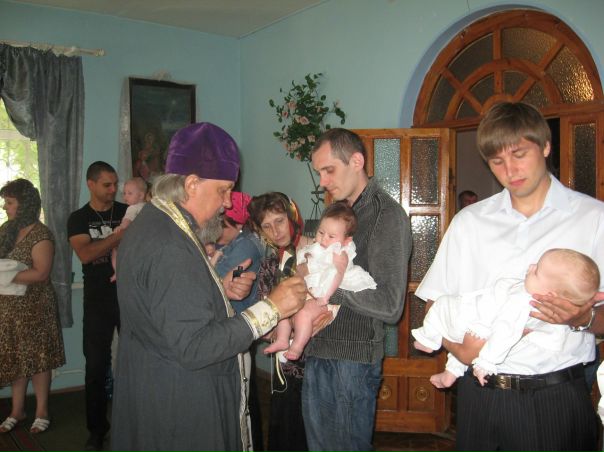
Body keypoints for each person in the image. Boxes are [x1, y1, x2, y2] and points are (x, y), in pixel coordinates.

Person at [415, 102, 604, 452]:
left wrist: (583, 317)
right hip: (479, 396)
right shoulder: (469, 222)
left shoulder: (593, 219)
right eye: (496, 161)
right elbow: (434, 304)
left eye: (519, 154)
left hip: (554, 399)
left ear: (545, 146)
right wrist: (461, 349)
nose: (510, 170)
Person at [110, 122, 306, 452]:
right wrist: (271, 308)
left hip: (155, 386)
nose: (227, 203)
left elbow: (169, 306)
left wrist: (218, 291)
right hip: (181, 405)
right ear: (191, 184)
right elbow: (194, 346)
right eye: (223, 190)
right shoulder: (170, 246)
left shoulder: (154, 223)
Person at [302, 128, 412, 452]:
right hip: (318, 350)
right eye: (319, 172)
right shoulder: (336, 213)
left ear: (356, 161)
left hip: (351, 361)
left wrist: (328, 291)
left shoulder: (386, 216)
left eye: (329, 170)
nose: (322, 181)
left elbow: (391, 306)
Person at [413, 248, 599, 388]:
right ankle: (450, 373)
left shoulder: (523, 302)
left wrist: (485, 363)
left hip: (478, 327)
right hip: (478, 337)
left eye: (537, 271)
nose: (531, 267)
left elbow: (506, 332)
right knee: (461, 344)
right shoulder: (542, 304)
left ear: (549, 294)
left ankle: (427, 338)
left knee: (441, 305)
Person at [264, 202, 376, 361]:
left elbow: (337, 275)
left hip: (324, 295)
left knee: (303, 315)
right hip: (309, 291)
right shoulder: (315, 247)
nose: (323, 239)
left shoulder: (340, 253)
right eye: (321, 232)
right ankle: (282, 340)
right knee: (284, 310)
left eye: (331, 236)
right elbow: (301, 268)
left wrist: (326, 296)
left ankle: (297, 346)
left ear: (346, 240)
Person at [67, 161, 127, 452]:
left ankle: (138, 422)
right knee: (95, 366)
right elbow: (86, 254)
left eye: (115, 183)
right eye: (107, 184)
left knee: (137, 360)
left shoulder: (128, 211)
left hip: (129, 296)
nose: (113, 189)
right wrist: (119, 236)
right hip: (97, 300)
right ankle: (96, 430)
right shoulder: (79, 219)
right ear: (90, 184)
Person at [248, 191, 315, 452]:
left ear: (292, 216)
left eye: (279, 221)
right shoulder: (270, 264)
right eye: (266, 226)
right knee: (288, 432)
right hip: (286, 366)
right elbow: (266, 318)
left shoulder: (318, 252)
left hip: (321, 361)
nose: (275, 232)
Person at [0, 179, 65, 434]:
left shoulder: (41, 234)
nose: (5, 207)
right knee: (17, 358)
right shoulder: (6, 229)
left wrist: (5, 276)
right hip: (9, 309)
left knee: (39, 360)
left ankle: (41, 411)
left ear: (24, 204)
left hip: (36, 308)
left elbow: (41, 274)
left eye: (9, 203)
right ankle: (17, 410)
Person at [213, 191, 267, 451]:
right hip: (234, 325)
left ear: (237, 224)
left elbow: (213, 280)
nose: (216, 231)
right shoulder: (233, 243)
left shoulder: (245, 245)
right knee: (243, 397)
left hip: (239, 325)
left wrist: (211, 259)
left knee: (243, 400)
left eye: (222, 225)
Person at [109, 177, 148, 282]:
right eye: (124, 193)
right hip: (144, 240)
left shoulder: (132, 208)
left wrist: (120, 227)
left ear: (141, 195)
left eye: (129, 193)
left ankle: (117, 271)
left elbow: (127, 221)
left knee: (115, 250)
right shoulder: (148, 207)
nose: (125, 197)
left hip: (133, 239)